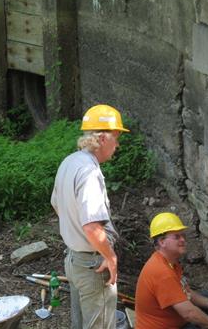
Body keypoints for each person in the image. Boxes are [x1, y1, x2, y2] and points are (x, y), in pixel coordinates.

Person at [51, 104, 129, 329]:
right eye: (116, 137)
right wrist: (110, 256)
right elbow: (93, 228)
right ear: (102, 138)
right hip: (93, 264)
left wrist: (73, 227)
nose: (118, 144)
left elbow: (57, 205)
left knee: (81, 324)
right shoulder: (90, 173)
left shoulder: (70, 162)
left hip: (74, 260)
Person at [135, 212, 208, 329]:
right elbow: (189, 313)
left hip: (174, 321)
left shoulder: (170, 263)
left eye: (183, 236)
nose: (183, 240)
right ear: (162, 241)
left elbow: (187, 293)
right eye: (177, 237)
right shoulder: (161, 272)